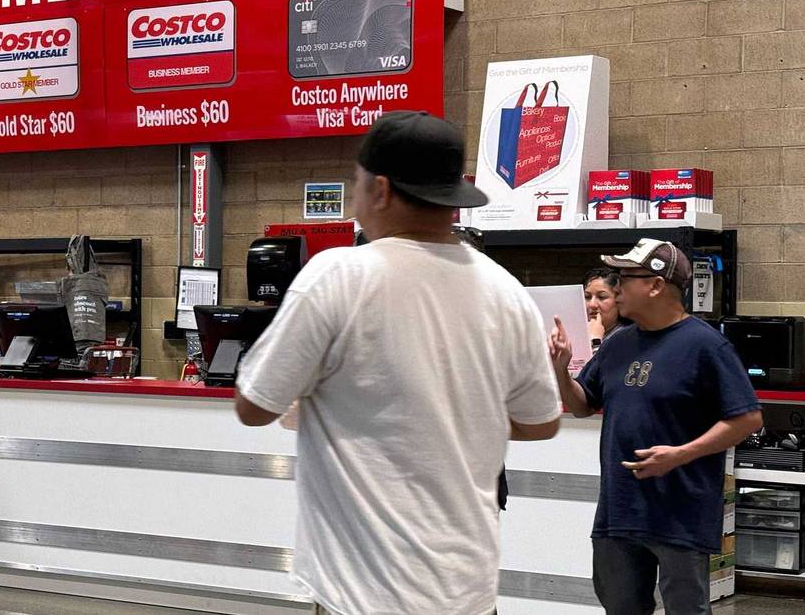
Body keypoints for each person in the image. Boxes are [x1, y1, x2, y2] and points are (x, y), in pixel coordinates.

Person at [233, 111, 562, 615]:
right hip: (468, 592)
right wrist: (456, 415)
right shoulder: (506, 291)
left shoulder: (339, 276)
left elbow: (254, 405)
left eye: (356, 182)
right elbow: (541, 423)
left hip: (365, 595)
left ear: (380, 190)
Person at [549, 239, 763, 615]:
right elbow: (583, 404)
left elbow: (747, 419)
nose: (616, 289)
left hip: (679, 513)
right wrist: (561, 369)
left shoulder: (706, 347)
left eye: (624, 278)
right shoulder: (618, 344)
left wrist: (680, 455)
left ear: (656, 284)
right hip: (619, 510)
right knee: (621, 607)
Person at [584, 266, 624, 351]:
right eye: (587, 297)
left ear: (619, 300)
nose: (592, 304)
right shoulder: (577, 334)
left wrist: (595, 341)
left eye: (602, 297)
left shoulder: (628, 337)